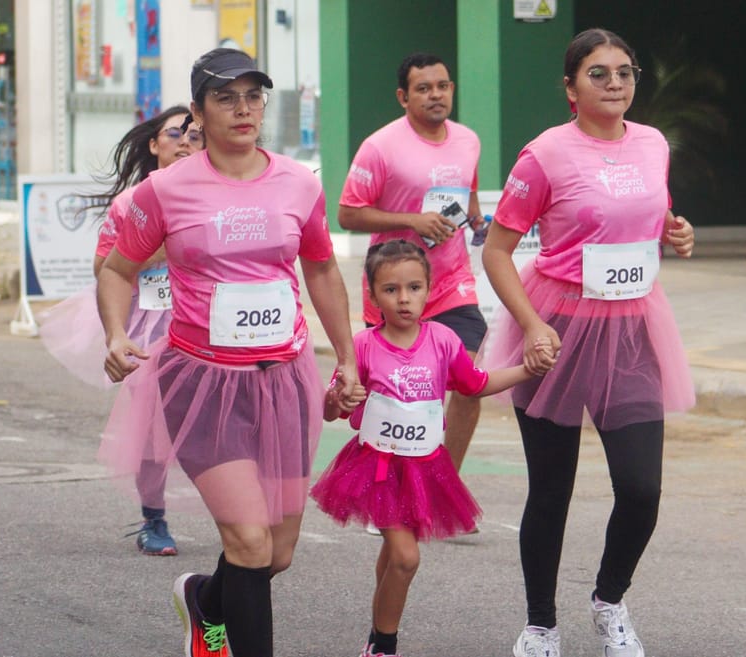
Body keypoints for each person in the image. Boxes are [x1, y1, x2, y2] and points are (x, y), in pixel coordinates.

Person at [96, 48, 359, 657]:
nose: (243, 109)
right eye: (225, 98)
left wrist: (346, 357)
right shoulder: (165, 190)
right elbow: (116, 269)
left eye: (252, 96)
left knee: (276, 552)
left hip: (285, 378)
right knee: (249, 543)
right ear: (198, 112)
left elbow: (321, 268)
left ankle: (203, 600)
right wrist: (115, 334)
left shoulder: (299, 182)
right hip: (203, 383)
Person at [479, 28, 697, 657]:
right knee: (552, 490)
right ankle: (540, 625)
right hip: (556, 327)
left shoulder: (652, 144)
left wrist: (676, 232)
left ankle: (609, 601)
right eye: (598, 73)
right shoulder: (545, 154)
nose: (615, 84)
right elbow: (496, 251)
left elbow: (650, 216)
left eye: (625, 72)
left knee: (641, 488)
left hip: (632, 330)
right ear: (570, 88)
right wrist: (533, 324)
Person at [310, 240, 552, 657]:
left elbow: (474, 384)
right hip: (377, 467)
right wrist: (339, 398)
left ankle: (376, 635)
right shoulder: (363, 345)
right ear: (373, 296)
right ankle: (383, 646)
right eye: (391, 290)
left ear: (429, 289)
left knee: (395, 555)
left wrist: (526, 370)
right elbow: (333, 408)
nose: (404, 298)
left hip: (424, 469)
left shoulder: (442, 340)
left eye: (414, 287)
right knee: (406, 558)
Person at [39, 104, 204, 556]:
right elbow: (104, 268)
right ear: (153, 145)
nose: (185, 144)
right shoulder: (131, 203)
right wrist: (159, 250)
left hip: (209, 322)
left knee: (214, 418)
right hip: (149, 324)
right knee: (151, 423)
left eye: (194, 136)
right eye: (174, 134)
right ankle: (154, 518)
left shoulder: (216, 196)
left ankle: (240, 513)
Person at [338, 52, 487, 475]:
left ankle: (444, 479)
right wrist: (411, 221)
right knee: (398, 395)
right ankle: (388, 478)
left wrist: (477, 220)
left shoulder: (468, 140)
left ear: (452, 90)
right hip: (396, 287)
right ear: (404, 97)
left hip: (452, 283)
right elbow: (348, 214)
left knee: (468, 383)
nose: (435, 95)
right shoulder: (380, 147)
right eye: (423, 88)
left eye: (442, 86)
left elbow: (468, 192)